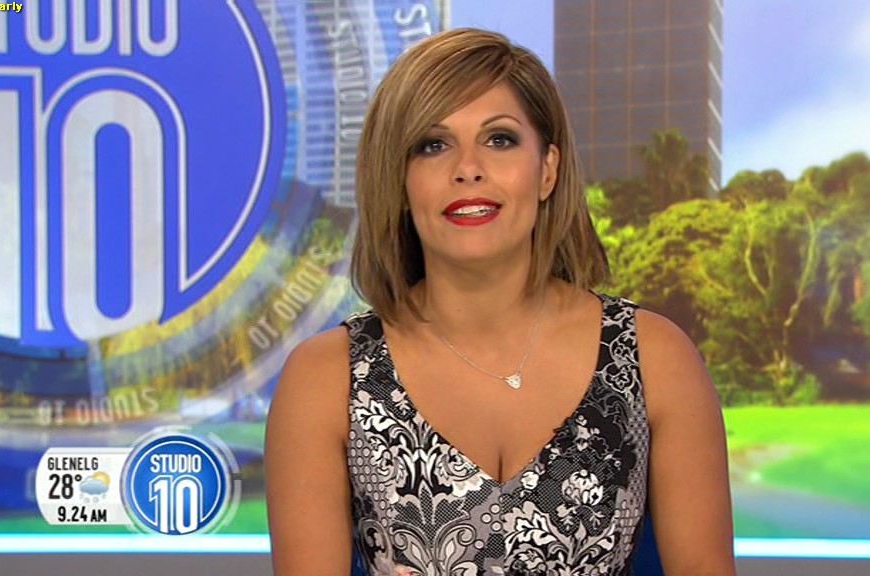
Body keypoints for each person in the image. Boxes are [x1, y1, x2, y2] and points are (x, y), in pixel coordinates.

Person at [265, 28, 735, 576]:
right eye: (433, 145)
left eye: (500, 139)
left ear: (548, 169)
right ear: (399, 180)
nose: (468, 168)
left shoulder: (656, 358)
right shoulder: (325, 378)